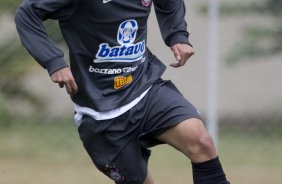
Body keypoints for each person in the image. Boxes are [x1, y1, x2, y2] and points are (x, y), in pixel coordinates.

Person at [14, 0, 230, 183]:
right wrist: (54, 61)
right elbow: (27, 13)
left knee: (200, 140)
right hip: (100, 114)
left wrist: (177, 35)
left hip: (145, 88)